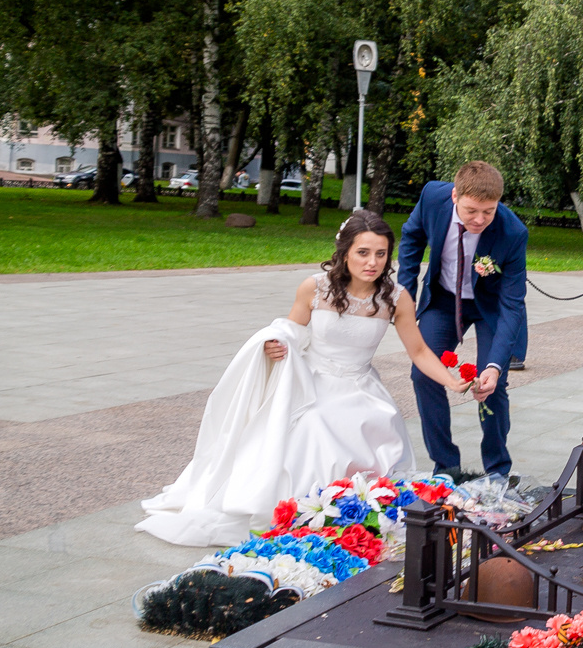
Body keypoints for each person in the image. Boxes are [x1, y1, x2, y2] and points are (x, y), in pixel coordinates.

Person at [137, 210, 471, 547]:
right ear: (344, 253)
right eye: (363, 252)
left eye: (381, 254)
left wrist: (451, 380)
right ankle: (306, 511)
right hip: (313, 382)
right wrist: (273, 344)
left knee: (369, 426)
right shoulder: (316, 287)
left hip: (362, 388)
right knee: (314, 423)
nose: (372, 262)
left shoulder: (395, 298)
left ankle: (353, 514)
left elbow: (418, 352)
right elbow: (291, 330)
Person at [398, 160, 528, 481]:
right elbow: (411, 237)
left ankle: (497, 469)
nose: (480, 219)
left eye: (489, 211)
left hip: (491, 306)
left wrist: (495, 366)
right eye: (472, 211)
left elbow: (512, 305)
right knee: (423, 374)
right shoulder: (432, 197)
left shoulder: (512, 232)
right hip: (443, 298)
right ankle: (447, 467)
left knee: (492, 385)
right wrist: (404, 296)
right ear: (455, 195)